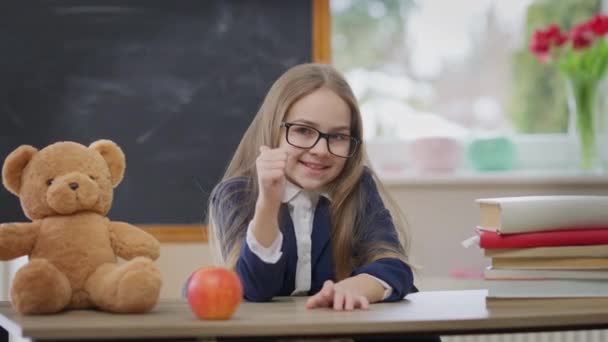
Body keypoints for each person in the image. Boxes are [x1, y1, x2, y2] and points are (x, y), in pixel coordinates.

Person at [208, 63, 414, 311]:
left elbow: (394, 267)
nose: (319, 150)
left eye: (338, 136)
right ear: (273, 129)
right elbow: (256, 287)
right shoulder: (237, 193)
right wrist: (268, 203)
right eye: (303, 130)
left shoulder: (357, 186)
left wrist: (352, 288)